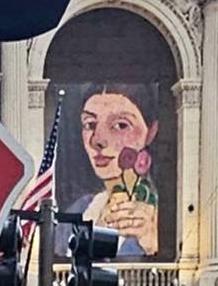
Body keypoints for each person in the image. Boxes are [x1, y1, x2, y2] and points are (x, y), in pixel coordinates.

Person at [53, 82, 162, 260]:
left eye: (121, 125)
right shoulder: (79, 210)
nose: (98, 140)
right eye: (90, 125)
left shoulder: (160, 216)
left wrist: (152, 243)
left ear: (151, 132)